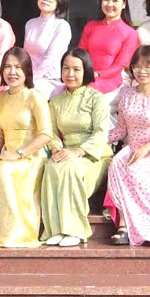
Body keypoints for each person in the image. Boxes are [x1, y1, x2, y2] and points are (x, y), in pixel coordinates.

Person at [0, 48, 53, 248]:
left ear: (27, 71)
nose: (12, 72)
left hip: (31, 156)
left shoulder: (34, 96)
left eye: (18, 67)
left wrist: (19, 154)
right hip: (7, 154)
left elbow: (46, 134)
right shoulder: (0, 98)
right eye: (8, 67)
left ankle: (16, 233)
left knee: (6, 173)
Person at [106, 45, 150, 248]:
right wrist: (98, 140)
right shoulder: (126, 93)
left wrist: (148, 148)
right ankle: (123, 225)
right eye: (137, 66)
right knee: (117, 164)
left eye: (149, 66)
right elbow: (120, 130)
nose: (142, 70)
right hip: (132, 148)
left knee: (137, 175)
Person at [40, 48, 112, 247]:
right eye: (66, 68)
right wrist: (56, 149)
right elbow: (51, 132)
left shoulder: (96, 98)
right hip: (66, 152)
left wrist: (78, 152)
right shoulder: (55, 101)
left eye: (76, 69)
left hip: (93, 155)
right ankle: (55, 229)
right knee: (52, 167)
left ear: (86, 71)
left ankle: (74, 230)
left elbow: (100, 132)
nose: (70, 74)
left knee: (71, 168)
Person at [78, 0, 139, 103]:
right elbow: (80, 54)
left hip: (112, 79)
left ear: (124, 4)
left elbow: (119, 66)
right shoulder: (91, 26)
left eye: (115, 0)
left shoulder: (130, 33)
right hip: (86, 76)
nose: (109, 4)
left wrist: (97, 75)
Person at [23, 0, 72, 100]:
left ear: (60, 2)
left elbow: (50, 60)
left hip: (49, 81)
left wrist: (30, 80)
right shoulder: (30, 24)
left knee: (27, 94)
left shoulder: (62, 26)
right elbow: (25, 56)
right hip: (26, 78)